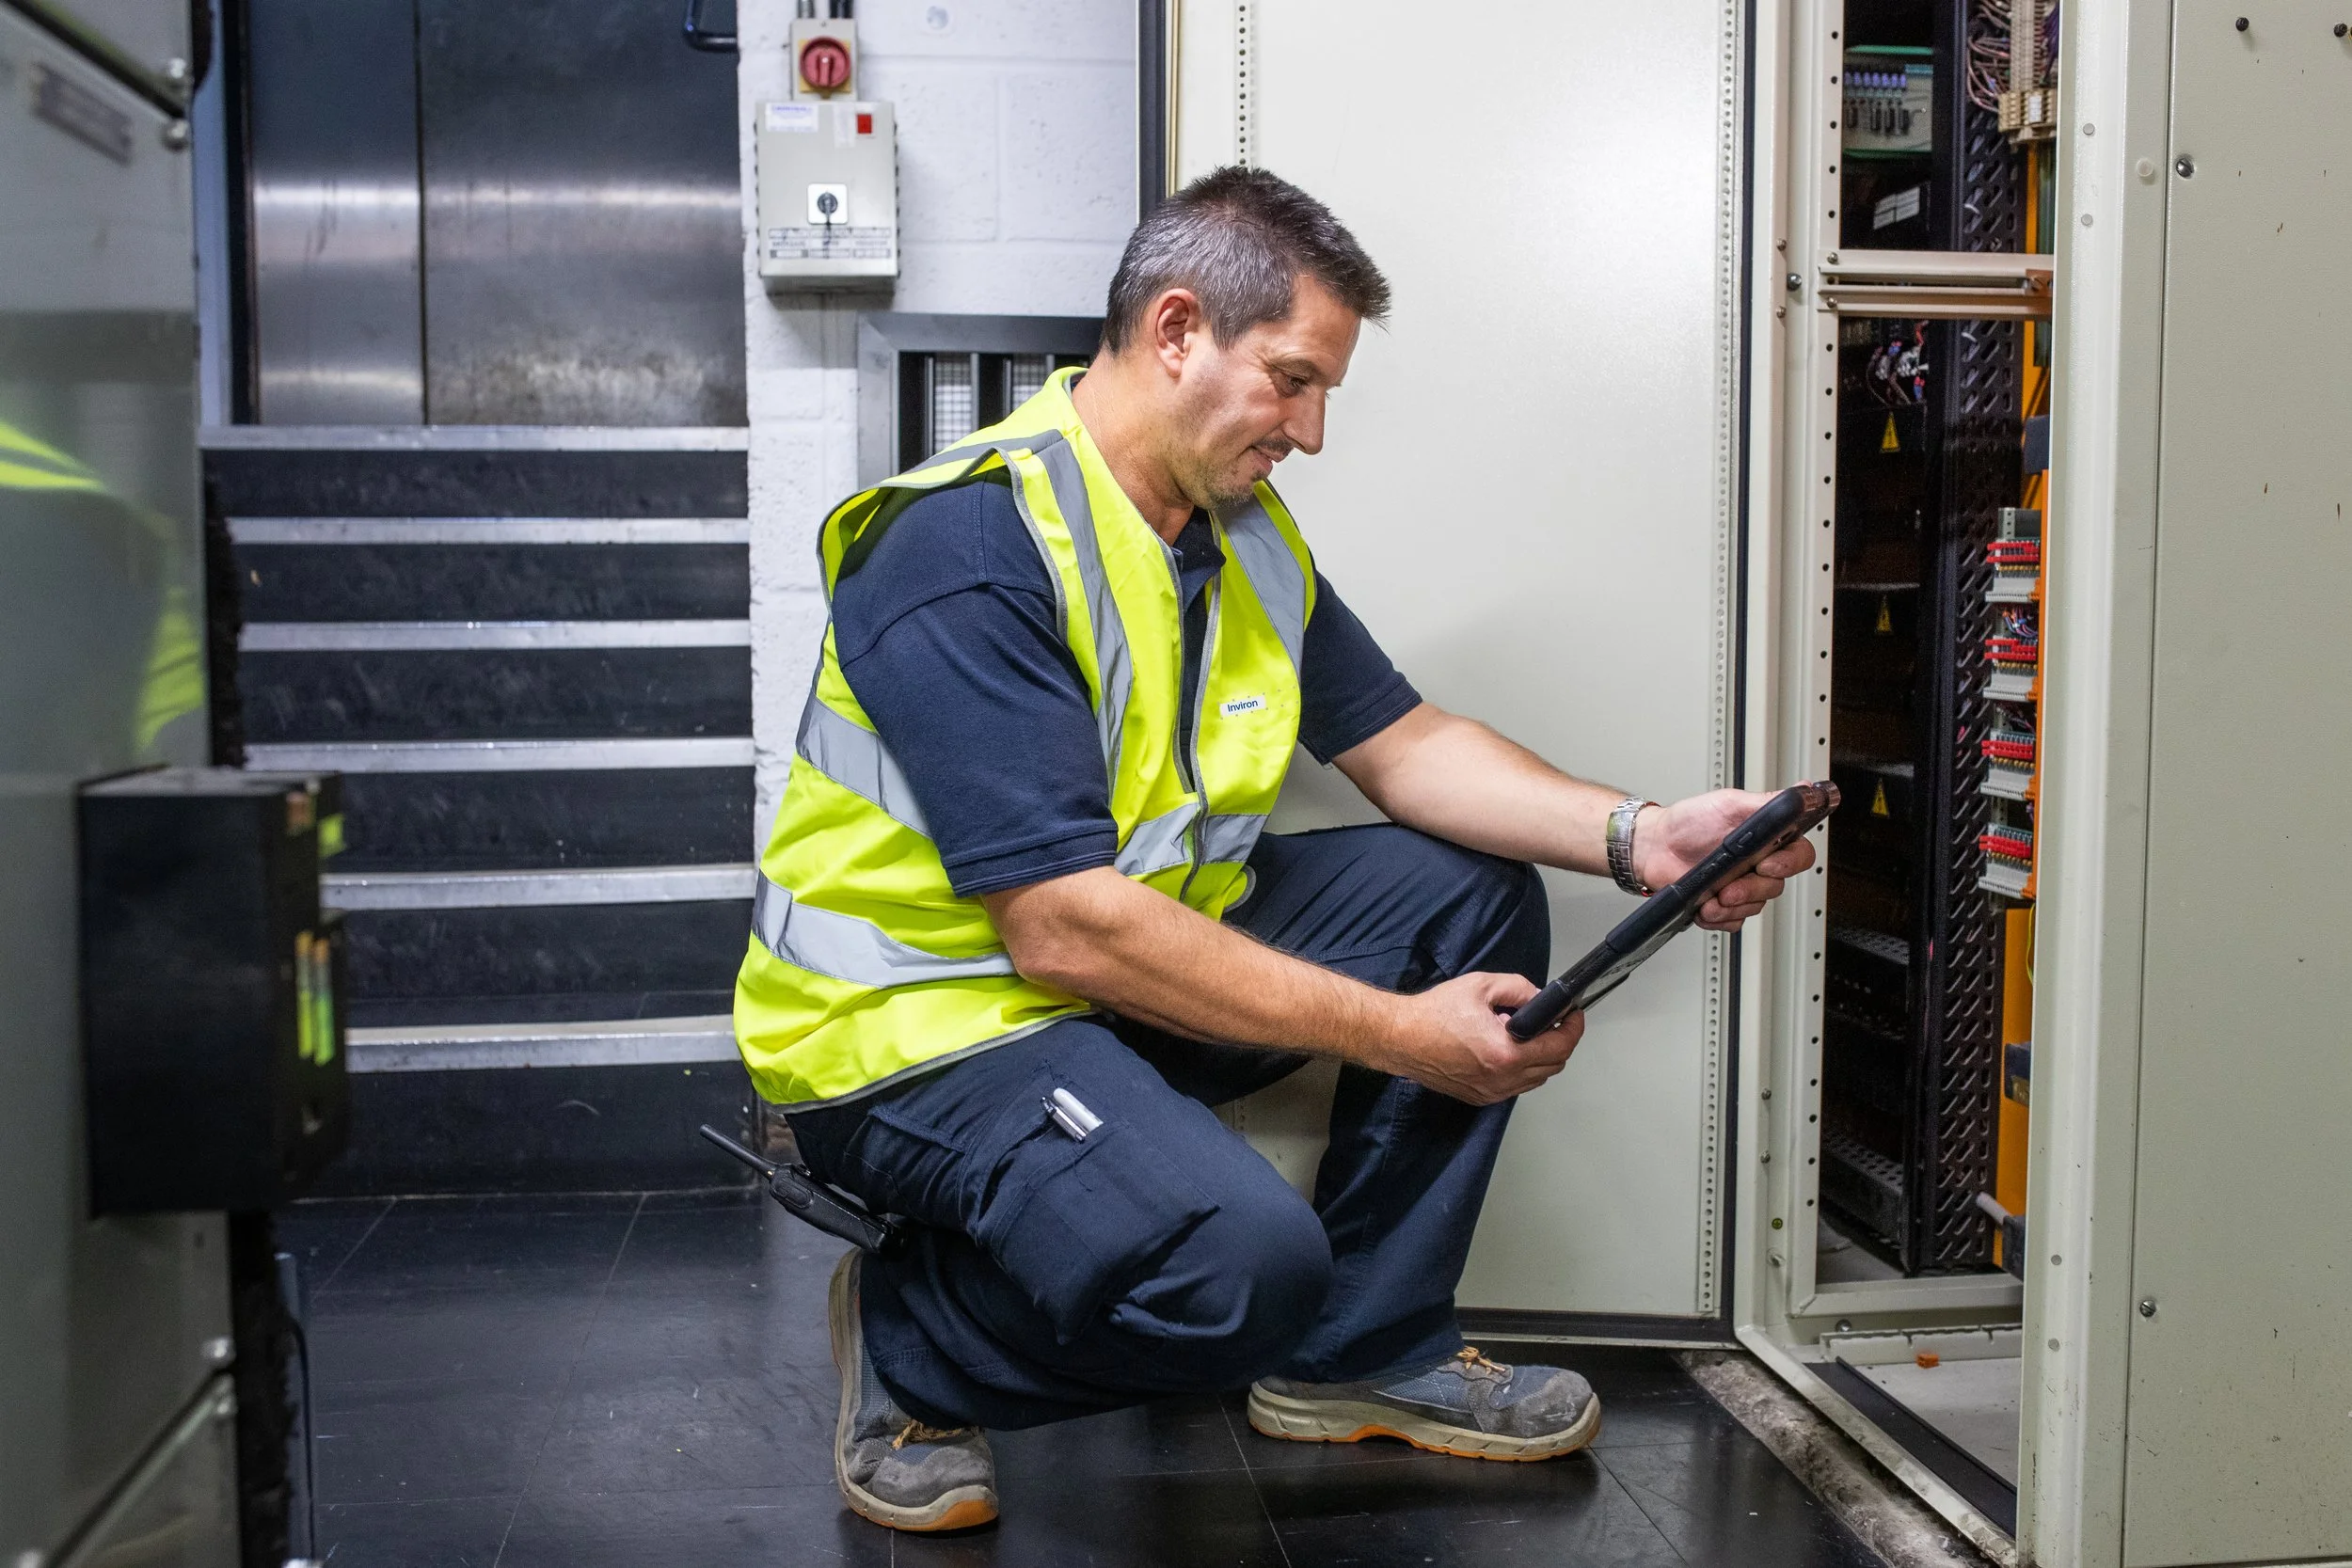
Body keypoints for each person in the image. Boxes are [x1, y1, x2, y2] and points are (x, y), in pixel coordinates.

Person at [731, 166, 1814, 1533]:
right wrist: (1404, 1036)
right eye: (1293, 381)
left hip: (1105, 986)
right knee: (1239, 1265)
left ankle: (1362, 1350)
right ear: (1176, 330)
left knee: (1468, 896)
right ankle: (914, 1340)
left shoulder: (1242, 539)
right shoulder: (965, 546)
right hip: (911, 1035)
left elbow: (1407, 747)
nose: (1308, 432)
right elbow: (1061, 923)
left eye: (1323, 395)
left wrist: (1641, 835)